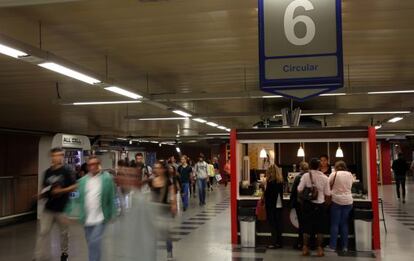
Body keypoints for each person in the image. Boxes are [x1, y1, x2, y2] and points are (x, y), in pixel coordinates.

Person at [34, 148, 76, 261]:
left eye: (58, 155)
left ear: (62, 157)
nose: (56, 158)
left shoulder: (67, 171)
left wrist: (61, 191)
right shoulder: (48, 172)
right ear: (51, 157)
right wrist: (41, 194)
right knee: (43, 232)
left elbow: (74, 186)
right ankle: (38, 256)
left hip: (62, 209)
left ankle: (64, 254)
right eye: (54, 155)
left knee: (64, 233)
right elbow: (44, 187)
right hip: (49, 209)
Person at [77, 156, 116, 261]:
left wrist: (114, 212)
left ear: (99, 164)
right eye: (90, 164)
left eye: (95, 164)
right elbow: (79, 199)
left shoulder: (107, 179)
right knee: (91, 244)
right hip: (87, 219)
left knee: (94, 242)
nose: (92, 166)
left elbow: (112, 196)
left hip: (101, 218)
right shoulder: (83, 181)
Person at [298, 158, 331, 257]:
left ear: (310, 166)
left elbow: (299, 189)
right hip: (320, 205)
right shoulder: (325, 177)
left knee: (306, 227)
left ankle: (305, 248)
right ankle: (319, 249)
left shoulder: (305, 176)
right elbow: (328, 193)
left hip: (308, 205)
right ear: (319, 166)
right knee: (320, 229)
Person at [149, 161, 177, 260]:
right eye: (155, 168)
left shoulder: (168, 181)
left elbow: (172, 193)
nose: (156, 170)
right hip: (154, 210)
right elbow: (150, 195)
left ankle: (169, 251)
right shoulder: (152, 181)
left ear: (163, 169)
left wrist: (174, 204)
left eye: (158, 168)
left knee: (166, 233)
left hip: (165, 210)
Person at [325, 160, 354, 253]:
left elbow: (327, 185)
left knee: (335, 224)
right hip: (348, 201)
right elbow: (352, 184)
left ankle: (332, 246)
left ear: (336, 167)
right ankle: (345, 246)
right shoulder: (350, 175)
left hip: (336, 201)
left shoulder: (334, 174)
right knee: (344, 224)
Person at [264, 164, 284, 249]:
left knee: (272, 224)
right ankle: (279, 242)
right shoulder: (280, 181)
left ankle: (274, 242)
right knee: (278, 224)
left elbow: (267, 195)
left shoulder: (270, 182)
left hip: (271, 205)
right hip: (279, 204)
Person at [290, 161, 309, 250]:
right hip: (309, 203)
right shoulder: (310, 176)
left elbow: (294, 191)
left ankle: (300, 243)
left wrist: (291, 203)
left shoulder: (298, 177)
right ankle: (309, 243)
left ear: (300, 168)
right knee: (308, 223)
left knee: (301, 223)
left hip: (299, 203)